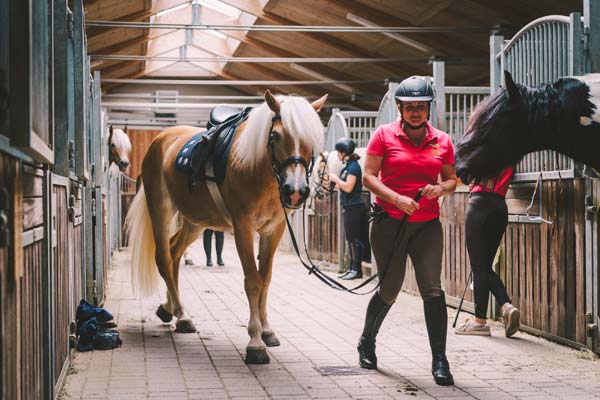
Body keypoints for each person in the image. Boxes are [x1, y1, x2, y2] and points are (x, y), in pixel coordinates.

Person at [358, 76, 457, 386]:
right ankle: (367, 341)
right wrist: (396, 198)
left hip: (426, 225)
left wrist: (439, 189)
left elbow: (453, 180)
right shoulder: (383, 136)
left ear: (429, 108)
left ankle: (440, 360)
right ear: (399, 108)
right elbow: (368, 178)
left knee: (433, 289)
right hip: (389, 223)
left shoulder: (442, 140)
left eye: (421, 107)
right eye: (410, 107)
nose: (415, 112)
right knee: (390, 289)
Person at [455, 167, 520, 337]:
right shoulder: (511, 151)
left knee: (479, 267)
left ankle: (480, 322)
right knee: (484, 266)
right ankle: (507, 307)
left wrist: (470, 178)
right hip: (499, 206)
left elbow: (463, 173)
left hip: (479, 203)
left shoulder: (484, 146)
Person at [328, 137, 368, 280]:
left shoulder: (353, 167)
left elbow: (349, 187)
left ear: (344, 153)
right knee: (350, 238)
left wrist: (335, 179)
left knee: (355, 238)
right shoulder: (347, 167)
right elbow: (344, 186)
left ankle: (357, 270)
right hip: (349, 206)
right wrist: (333, 184)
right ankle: (352, 267)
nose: (338, 155)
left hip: (354, 206)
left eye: (339, 152)